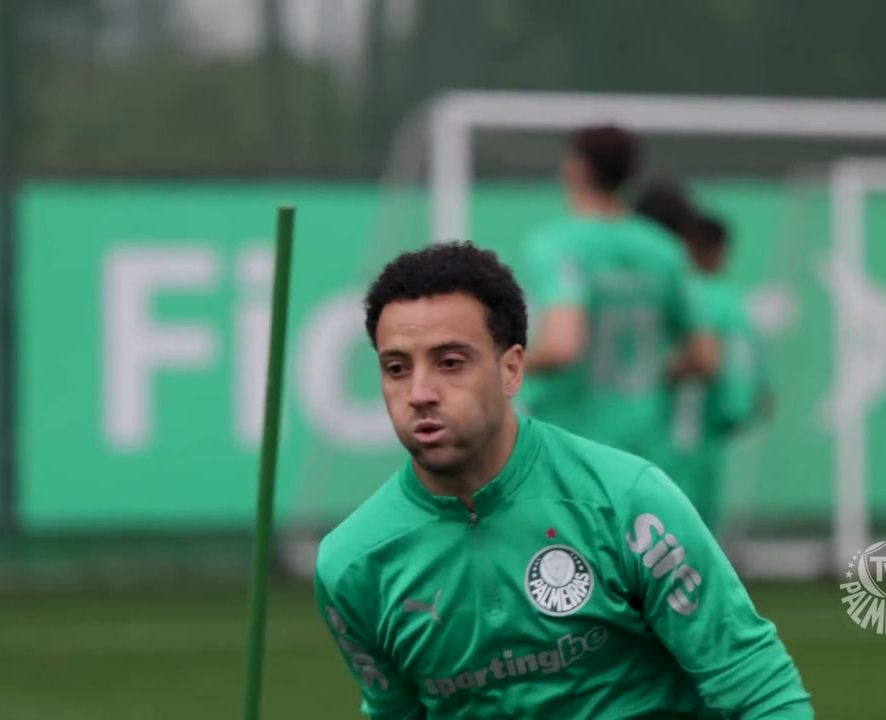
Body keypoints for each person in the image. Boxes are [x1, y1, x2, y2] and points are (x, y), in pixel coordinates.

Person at [314, 241, 813, 719]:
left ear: (511, 370)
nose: (420, 392)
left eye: (450, 363)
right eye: (397, 368)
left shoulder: (628, 501)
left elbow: (763, 690)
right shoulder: (351, 564)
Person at [515, 126, 717, 464]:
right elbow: (704, 357)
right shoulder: (664, 249)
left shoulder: (558, 244)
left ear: (577, 169)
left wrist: (498, 369)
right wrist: (646, 374)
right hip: (642, 445)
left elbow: (563, 346)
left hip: (571, 443)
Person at [663, 214, 769, 536]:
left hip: (682, 421)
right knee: (702, 515)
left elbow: (705, 358)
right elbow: (750, 361)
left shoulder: (690, 294)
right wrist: (750, 399)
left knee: (672, 511)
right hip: (713, 421)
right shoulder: (730, 299)